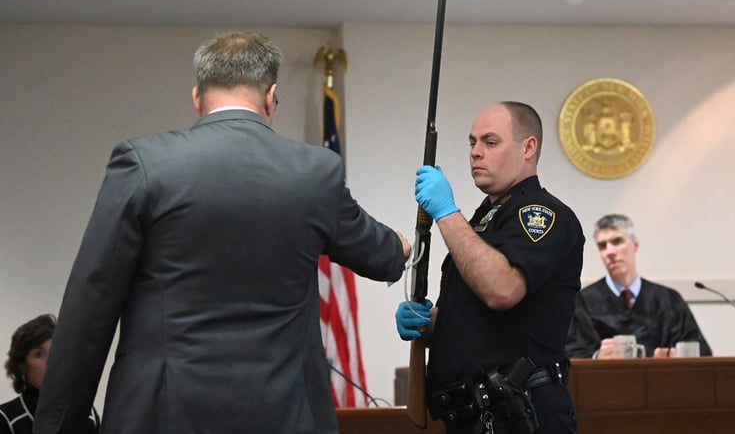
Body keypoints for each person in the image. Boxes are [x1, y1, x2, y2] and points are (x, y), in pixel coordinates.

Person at [32, 31, 410, 434]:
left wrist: (57, 426)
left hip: (163, 415)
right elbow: (380, 255)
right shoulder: (315, 172)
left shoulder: (145, 164)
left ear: (198, 97)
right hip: (284, 415)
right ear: (271, 97)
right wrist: (401, 246)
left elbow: (92, 302)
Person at [396, 102, 584, 433]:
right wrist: (429, 323)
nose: (476, 153)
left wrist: (445, 212)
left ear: (528, 147)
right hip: (474, 415)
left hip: (520, 413)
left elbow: (502, 290)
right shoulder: (484, 220)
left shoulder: (541, 215)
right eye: (472, 142)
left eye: (490, 142)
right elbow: (478, 322)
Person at [566, 214, 712, 359]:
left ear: (635, 244)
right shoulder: (583, 301)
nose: (609, 252)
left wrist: (676, 356)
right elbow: (569, 352)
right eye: (602, 246)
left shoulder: (668, 299)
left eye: (617, 241)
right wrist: (597, 357)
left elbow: (700, 351)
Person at [1, 314, 99, 434]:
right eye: (38, 355)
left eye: (55, 352)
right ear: (22, 365)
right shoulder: (6, 418)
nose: (50, 362)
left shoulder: (87, 412)